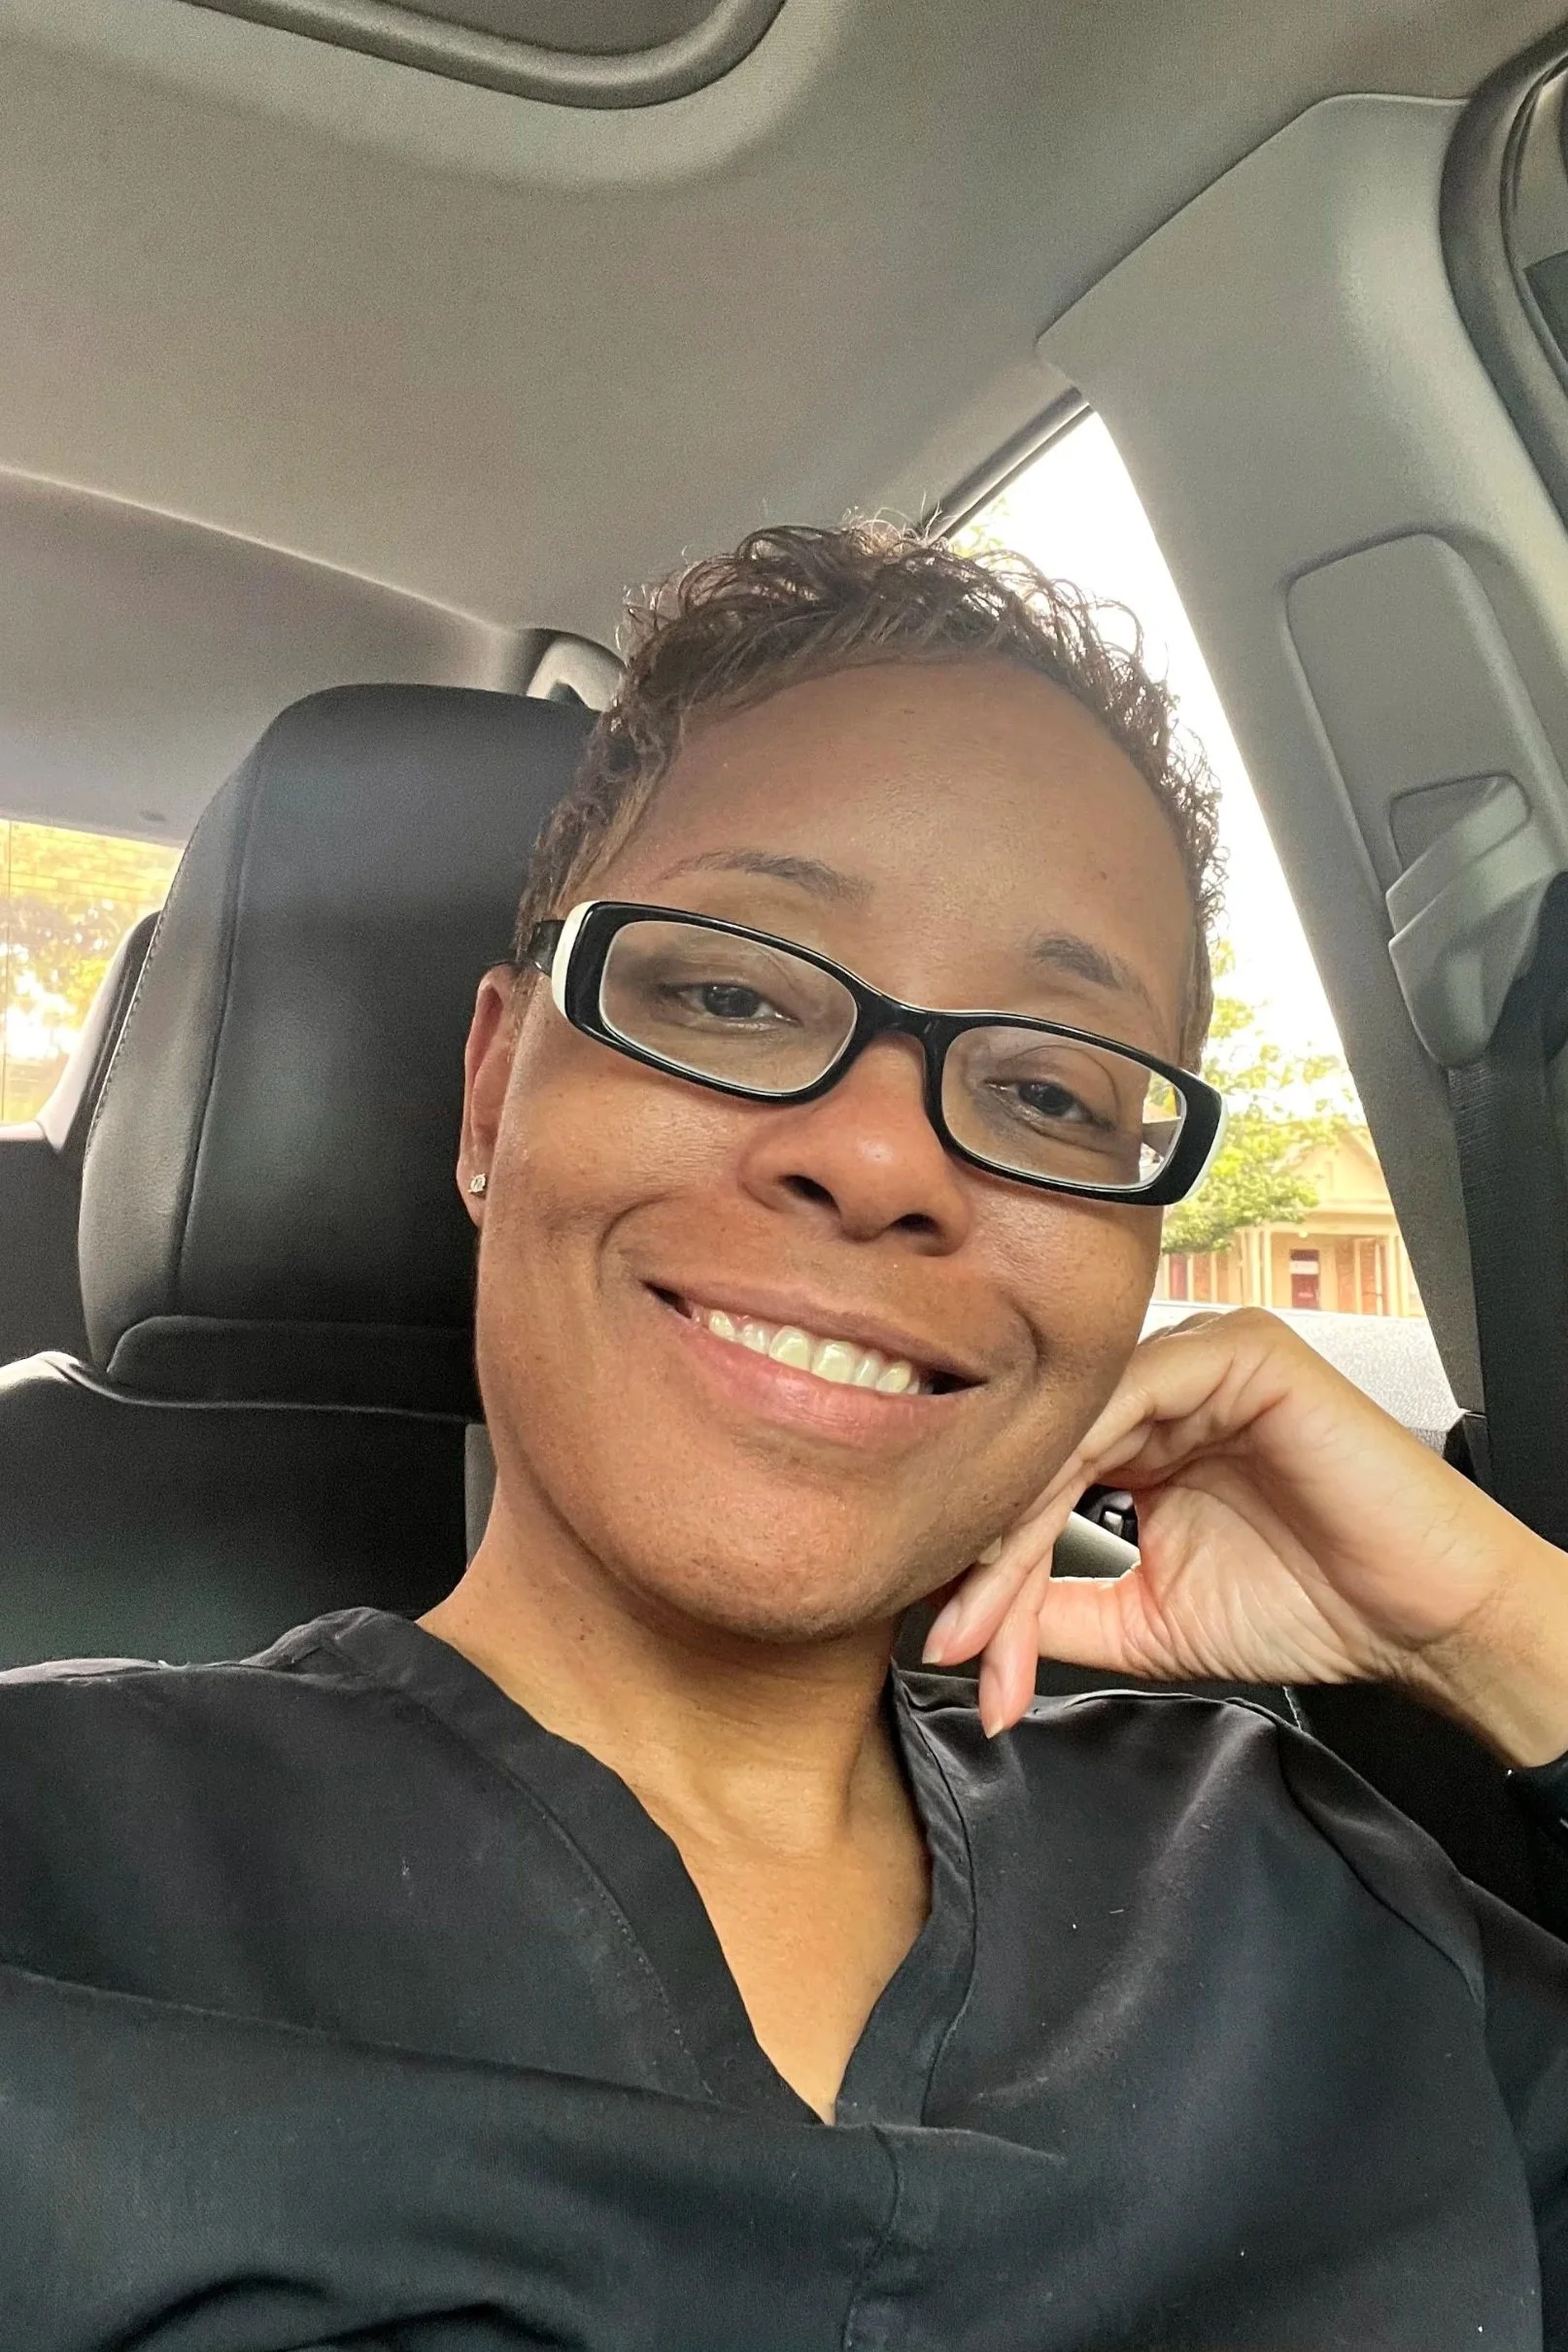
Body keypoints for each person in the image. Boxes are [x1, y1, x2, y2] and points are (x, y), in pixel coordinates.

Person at [5, 522, 1568, 2351]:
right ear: (497, 1090)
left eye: (1050, 1090)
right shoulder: (53, 1869)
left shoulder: (1303, 1882)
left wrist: (1499, 1632)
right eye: (733, 994)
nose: (885, 1155)